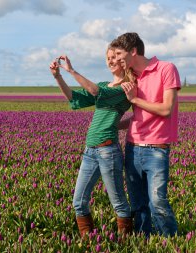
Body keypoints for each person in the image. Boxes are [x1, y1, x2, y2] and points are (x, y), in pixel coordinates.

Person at [48, 47, 135, 239]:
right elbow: (75, 98)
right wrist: (58, 77)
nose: (111, 61)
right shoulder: (106, 85)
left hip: (107, 151)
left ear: (124, 61)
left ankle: (126, 242)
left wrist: (72, 71)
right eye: (109, 58)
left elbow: (95, 91)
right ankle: (88, 242)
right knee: (79, 202)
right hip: (90, 151)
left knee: (119, 202)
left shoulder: (125, 88)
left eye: (115, 58)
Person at [110, 32, 180, 237]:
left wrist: (135, 99)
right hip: (132, 147)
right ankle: (143, 240)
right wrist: (112, 126)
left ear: (133, 51)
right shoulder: (131, 76)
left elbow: (166, 109)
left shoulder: (166, 69)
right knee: (138, 203)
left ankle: (170, 241)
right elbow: (137, 117)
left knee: (158, 202)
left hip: (156, 148)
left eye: (120, 54)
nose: (117, 59)